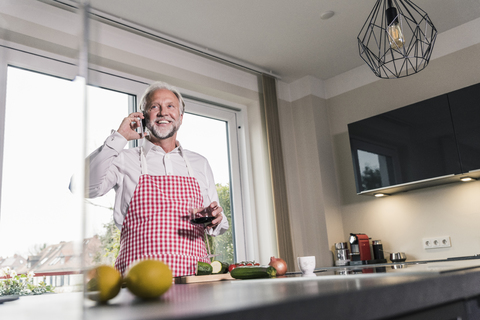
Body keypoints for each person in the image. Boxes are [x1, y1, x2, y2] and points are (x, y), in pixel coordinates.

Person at [85, 81, 229, 277]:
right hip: (138, 280)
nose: (163, 112)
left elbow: (218, 221)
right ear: (143, 116)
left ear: (180, 117)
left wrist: (215, 219)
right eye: (155, 106)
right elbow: (84, 187)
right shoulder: (123, 159)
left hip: (194, 279)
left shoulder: (199, 163)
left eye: (170, 106)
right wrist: (119, 137)